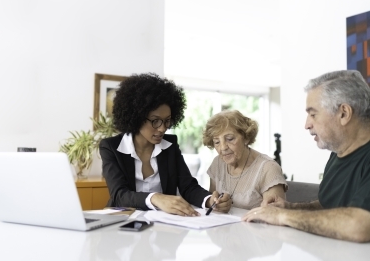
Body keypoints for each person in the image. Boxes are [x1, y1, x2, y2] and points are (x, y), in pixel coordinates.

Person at [243, 70, 370, 243]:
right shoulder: (337, 153)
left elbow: (360, 226)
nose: (307, 124)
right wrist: (291, 208)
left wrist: (284, 216)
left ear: (344, 114)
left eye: (313, 114)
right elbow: (330, 205)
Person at [99, 73, 231, 216]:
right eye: (155, 121)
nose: (162, 128)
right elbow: (120, 195)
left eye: (167, 120)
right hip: (124, 221)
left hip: (163, 224)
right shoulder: (111, 147)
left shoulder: (170, 146)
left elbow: (188, 186)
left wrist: (209, 200)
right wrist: (156, 198)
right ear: (136, 117)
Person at [202, 110, 287, 210]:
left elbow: (276, 215)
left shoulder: (268, 169)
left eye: (230, 139)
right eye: (217, 142)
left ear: (246, 138)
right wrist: (216, 203)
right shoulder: (217, 163)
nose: (223, 147)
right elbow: (212, 204)